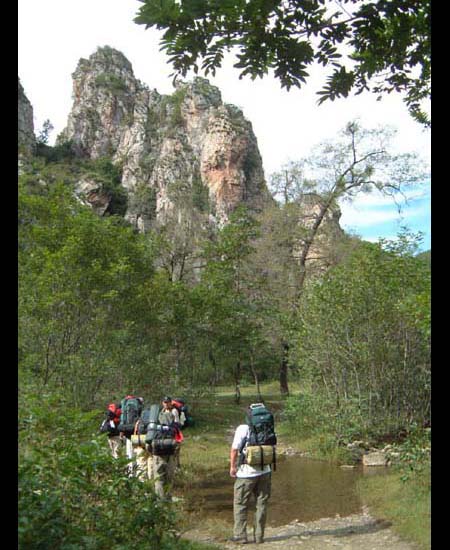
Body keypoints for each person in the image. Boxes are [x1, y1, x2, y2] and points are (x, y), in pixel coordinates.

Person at [229, 416, 272, 545]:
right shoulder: (268, 427)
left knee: (240, 504)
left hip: (246, 474)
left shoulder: (243, 428)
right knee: (261, 504)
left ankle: (240, 536)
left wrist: (232, 467)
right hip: (265, 472)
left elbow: (234, 449)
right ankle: (259, 537)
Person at [151, 396, 181, 500]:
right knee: (168, 477)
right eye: (164, 402)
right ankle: (165, 498)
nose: (166, 404)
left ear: (170, 403)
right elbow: (177, 427)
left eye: (167, 402)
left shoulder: (173, 412)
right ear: (162, 403)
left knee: (160, 478)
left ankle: (161, 499)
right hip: (167, 449)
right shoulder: (160, 413)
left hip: (159, 451)